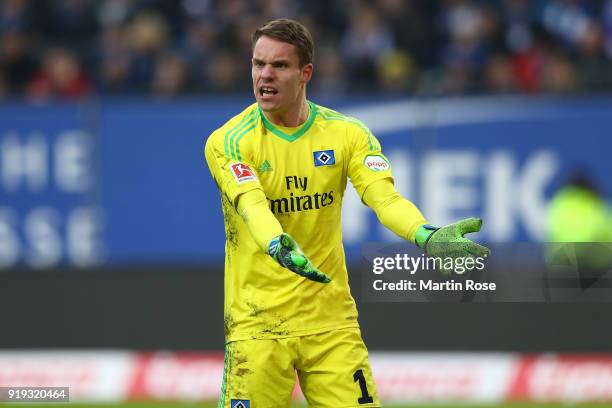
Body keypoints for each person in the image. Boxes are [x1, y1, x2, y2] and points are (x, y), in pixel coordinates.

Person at [204, 18, 489, 408]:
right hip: (258, 324)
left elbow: (384, 199)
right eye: (258, 64)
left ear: (306, 73)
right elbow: (252, 204)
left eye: (279, 66)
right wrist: (276, 242)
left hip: (331, 323)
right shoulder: (228, 141)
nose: (264, 75)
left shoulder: (348, 134)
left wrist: (425, 234)